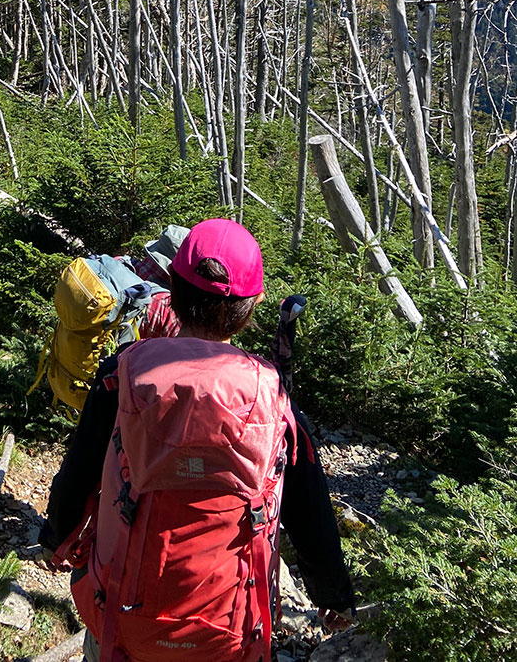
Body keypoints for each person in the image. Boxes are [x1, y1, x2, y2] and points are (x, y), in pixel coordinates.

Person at [40, 219, 354, 662]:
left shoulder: (123, 375)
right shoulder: (271, 394)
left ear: (173, 288)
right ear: (252, 305)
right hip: (231, 631)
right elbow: (310, 508)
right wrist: (333, 596)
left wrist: (56, 536)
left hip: (124, 624)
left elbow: (78, 474)